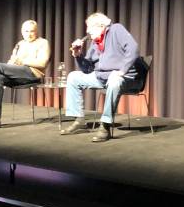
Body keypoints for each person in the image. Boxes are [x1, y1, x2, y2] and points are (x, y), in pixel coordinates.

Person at [61, 13, 142, 143]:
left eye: (90, 27)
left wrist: (122, 71)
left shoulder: (116, 29)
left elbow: (133, 49)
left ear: (101, 26)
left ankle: (105, 125)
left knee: (115, 80)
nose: (87, 31)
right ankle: (79, 119)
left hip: (124, 78)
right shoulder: (95, 42)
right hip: (102, 77)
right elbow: (87, 69)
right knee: (73, 76)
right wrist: (78, 55)